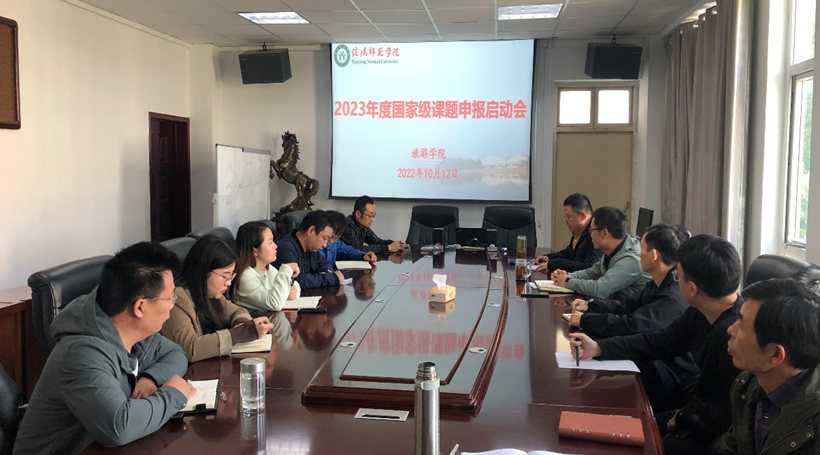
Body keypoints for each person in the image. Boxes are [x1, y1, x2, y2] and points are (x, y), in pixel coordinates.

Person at [13, 242, 197, 455]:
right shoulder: (81, 354)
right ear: (140, 307)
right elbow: (119, 427)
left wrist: (151, 378)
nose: (173, 305)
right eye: (170, 298)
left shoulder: (133, 331)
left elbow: (176, 354)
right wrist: (173, 394)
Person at [570, 234, 744, 455]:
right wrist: (599, 348)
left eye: (678, 276)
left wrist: (680, 418)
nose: (675, 280)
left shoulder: (735, 334)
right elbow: (657, 342)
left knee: (620, 444)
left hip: (716, 434)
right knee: (608, 428)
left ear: (692, 289)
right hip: (694, 414)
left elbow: (730, 411)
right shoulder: (701, 312)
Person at [567, 223, 698, 412]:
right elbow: (627, 305)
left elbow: (634, 327)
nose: (638, 254)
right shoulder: (657, 283)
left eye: (641, 249)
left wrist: (587, 321)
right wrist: (591, 305)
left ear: (654, 255)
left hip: (668, 377)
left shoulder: (673, 296)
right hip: (650, 362)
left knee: (596, 392)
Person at [717, 279, 820, 455]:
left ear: (775, 355)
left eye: (741, 324)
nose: (730, 330)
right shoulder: (746, 385)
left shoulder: (814, 418)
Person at [161, 235, 272, 362]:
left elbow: (238, 311)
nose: (228, 283)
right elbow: (190, 348)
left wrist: (241, 323)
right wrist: (239, 334)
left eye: (231, 276)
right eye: (225, 276)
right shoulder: (176, 300)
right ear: (204, 271)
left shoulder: (211, 293)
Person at [551, 206, 650, 299]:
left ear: (604, 233)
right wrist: (568, 275)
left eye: (592, 230)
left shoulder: (631, 260)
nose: (590, 235)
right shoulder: (615, 249)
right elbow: (592, 272)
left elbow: (599, 290)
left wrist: (567, 281)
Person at [231, 221, 302, 317]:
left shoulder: (267, 268)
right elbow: (275, 303)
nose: (275, 246)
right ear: (255, 251)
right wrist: (286, 270)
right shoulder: (244, 278)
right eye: (270, 242)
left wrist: (293, 291)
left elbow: (295, 285)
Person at [531, 193, 602, 274]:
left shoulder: (595, 233)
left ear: (583, 216)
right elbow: (569, 253)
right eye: (564, 217)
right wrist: (549, 258)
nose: (565, 221)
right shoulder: (579, 231)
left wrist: (555, 264)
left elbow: (589, 267)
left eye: (568, 217)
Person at [274, 210, 345, 288]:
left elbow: (325, 264)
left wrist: (326, 274)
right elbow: (294, 281)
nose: (325, 245)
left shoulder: (311, 248)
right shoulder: (286, 248)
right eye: (325, 238)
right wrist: (331, 278)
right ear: (311, 230)